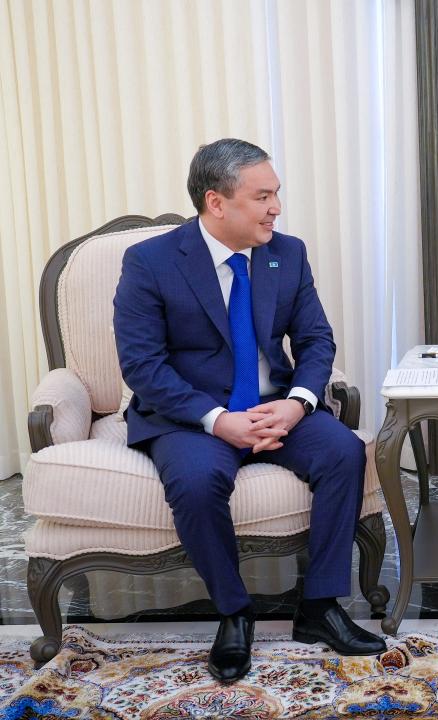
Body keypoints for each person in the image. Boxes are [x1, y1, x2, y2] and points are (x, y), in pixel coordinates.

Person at [113, 138, 385, 683]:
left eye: (276, 194)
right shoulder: (151, 262)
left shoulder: (288, 253)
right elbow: (143, 365)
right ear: (216, 202)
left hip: (274, 406)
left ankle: (320, 607)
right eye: (262, 197)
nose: (275, 208)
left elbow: (316, 340)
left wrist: (297, 404)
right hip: (191, 416)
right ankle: (235, 613)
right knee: (196, 482)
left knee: (344, 452)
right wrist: (218, 420)